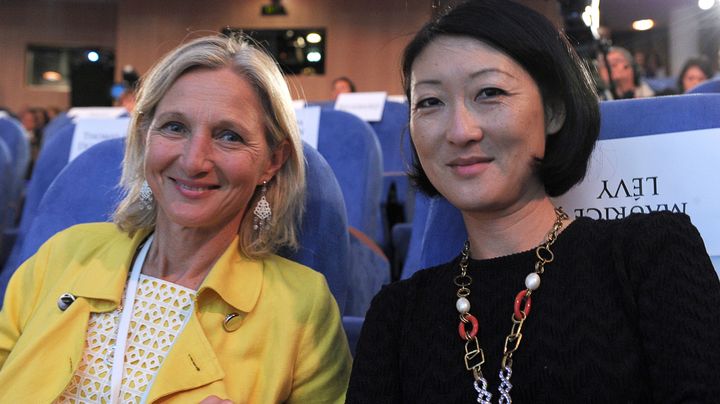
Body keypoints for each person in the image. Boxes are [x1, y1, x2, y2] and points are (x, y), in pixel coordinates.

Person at [346, 1, 720, 402]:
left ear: (554, 111)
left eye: (489, 93)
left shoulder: (649, 254)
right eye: (430, 102)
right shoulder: (397, 315)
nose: (460, 131)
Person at [0, 35, 351, 403]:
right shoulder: (62, 254)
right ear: (144, 135)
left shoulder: (303, 307)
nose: (193, 161)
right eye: (174, 127)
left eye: (229, 136)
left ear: (272, 161)